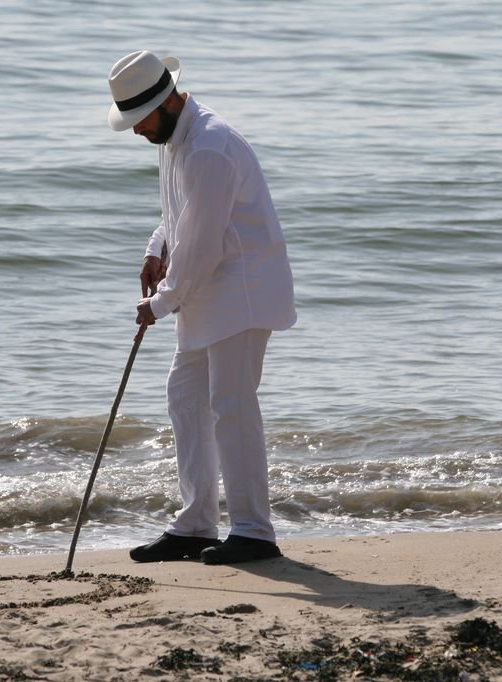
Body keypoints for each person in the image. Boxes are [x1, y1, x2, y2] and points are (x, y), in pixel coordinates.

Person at [106, 50, 296, 565]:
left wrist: (161, 302)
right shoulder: (174, 138)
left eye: (139, 119)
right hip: (208, 293)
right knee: (186, 399)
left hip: (243, 292)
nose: (138, 130)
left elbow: (204, 244)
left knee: (231, 408)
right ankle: (196, 524)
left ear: (166, 102)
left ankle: (255, 532)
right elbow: (179, 215)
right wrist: (154, 250)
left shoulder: (209, 147)